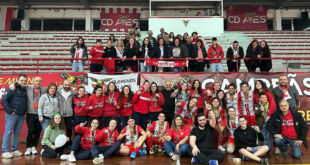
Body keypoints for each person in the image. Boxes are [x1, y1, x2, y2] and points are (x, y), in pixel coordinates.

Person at [1, 74, 28, 159]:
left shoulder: (24, 90)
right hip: (12, 115)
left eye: (25, 81)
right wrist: (10, 111)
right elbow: (4, 101)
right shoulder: (11, 88)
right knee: (8, 132)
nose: (23, 82)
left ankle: (14, 150)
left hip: (21, 115)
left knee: (16, 133)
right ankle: (5, 151)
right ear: (17, 80)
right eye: (21, 80)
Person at [24, 77, 45, 155]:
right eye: (36, 81)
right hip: (30, 113)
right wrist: (12, 84)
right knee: (31, 130)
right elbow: (19, 85)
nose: (38, 82)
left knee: (38, 131)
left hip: (40, 114)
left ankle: (34, 146)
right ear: (33, 81)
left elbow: (54, 88)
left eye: (40, 81)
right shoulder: (28, 87)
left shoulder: (43, 89)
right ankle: (28, 147)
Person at [57, 80, 76, 144]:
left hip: (69, 114)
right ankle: (60, 143)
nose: (67, 86)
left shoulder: (73, 93)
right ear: (62, 84)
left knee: (69, 129)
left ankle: (69, 143)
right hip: (60, 115)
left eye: (68, 85)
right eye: (65, 84)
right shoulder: (58, 92)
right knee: (60, 130)